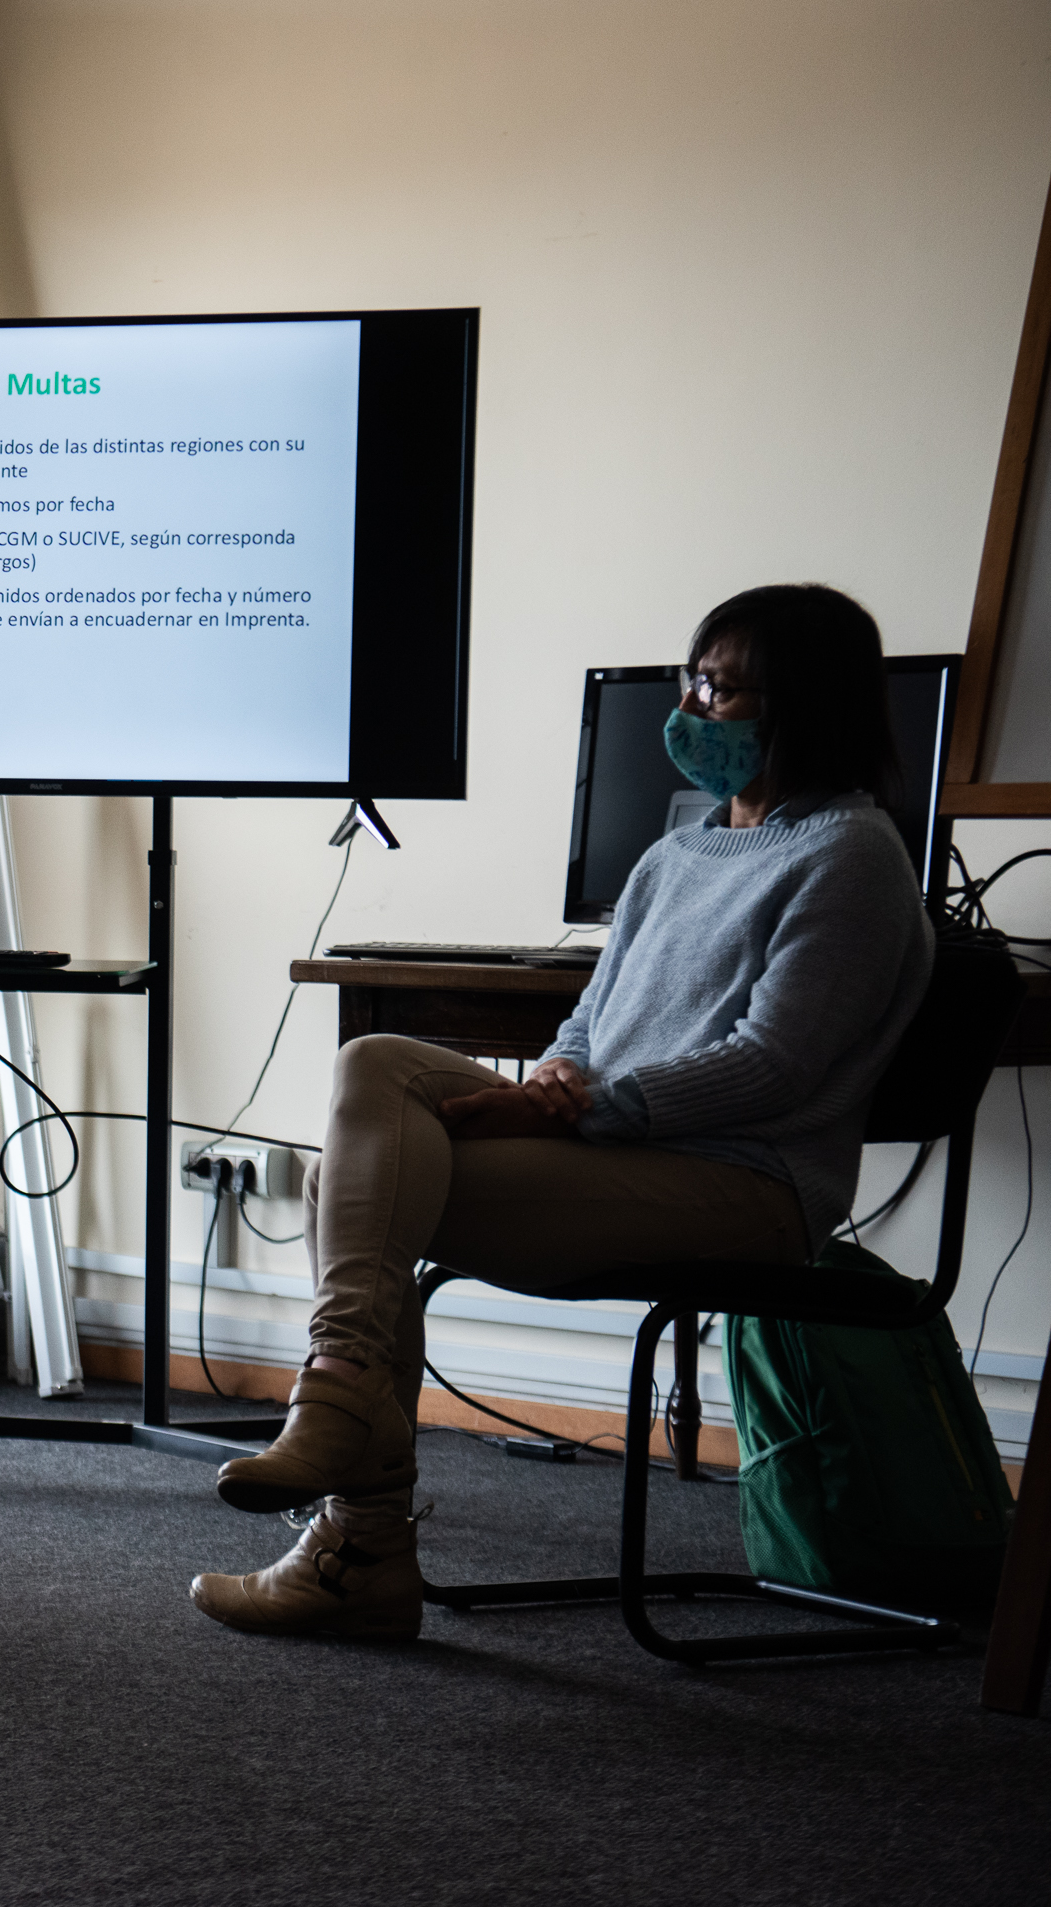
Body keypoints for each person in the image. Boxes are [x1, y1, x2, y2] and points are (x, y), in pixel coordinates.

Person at [189, 582, 935, 1639]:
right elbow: (590, 1021)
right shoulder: (675, 854)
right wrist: (552, 1083)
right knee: (375, 1064)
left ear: (807, 707)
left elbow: (774, 1066)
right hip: (615, 1149)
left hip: (745, 1184)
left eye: (721, 690)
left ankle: (356, 1527)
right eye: (693, 681)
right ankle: (343, 1392)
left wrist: (590, 1111)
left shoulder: (852, 856)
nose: (692, 707)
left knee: (351, 1193)